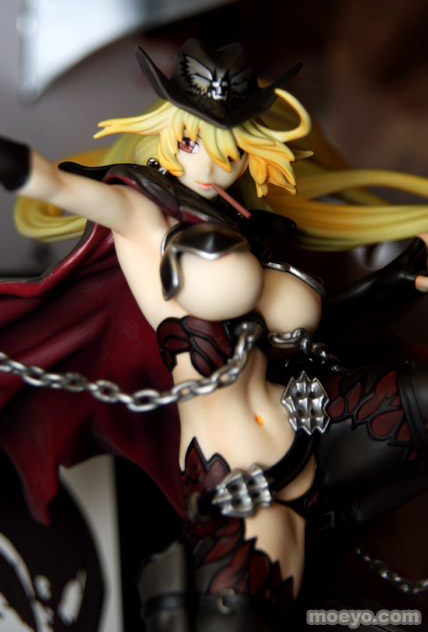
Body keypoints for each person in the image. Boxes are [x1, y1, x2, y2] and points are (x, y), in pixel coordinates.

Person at [1, 39, 428, 631]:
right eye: (190, 143)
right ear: (165, 132)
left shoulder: (249, 231)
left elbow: (307, 338)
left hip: (316, 419)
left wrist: (392, 285)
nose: (208, 166)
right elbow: (56, 185)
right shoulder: (142, 218)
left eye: (229, 152)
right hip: (236, 482)